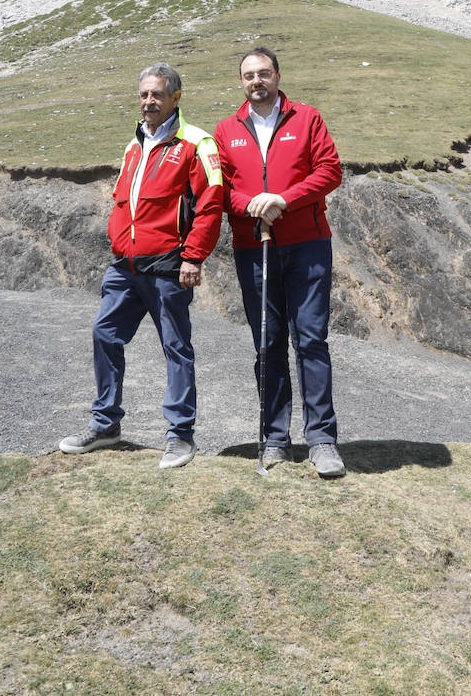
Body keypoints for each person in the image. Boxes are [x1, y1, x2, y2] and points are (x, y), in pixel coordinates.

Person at [59, 63, 223, 468]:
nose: (149, 102)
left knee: (176, 348)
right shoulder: (135, 145)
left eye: (157, 95)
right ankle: (105, 424)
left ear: (176, 98)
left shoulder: (196, 143)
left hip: (168, 267)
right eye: (144, 95)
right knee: (105, 333)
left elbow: (210, 206)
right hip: (124, 266)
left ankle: (181, 436)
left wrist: (193, 257)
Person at [214, 47, 345, 478]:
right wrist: (252, 204)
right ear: (241, 82)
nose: (257, 81)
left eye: (264, 73)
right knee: (268, 345)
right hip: (255, 247)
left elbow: (329, 171)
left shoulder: (307, 118)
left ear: (277, 75)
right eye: (249, 75)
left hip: (308, 244)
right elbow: (218, 189)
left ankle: (322, 440)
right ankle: (274, 440)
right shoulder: (226, 130)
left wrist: (284, 198)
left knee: (310, 341)